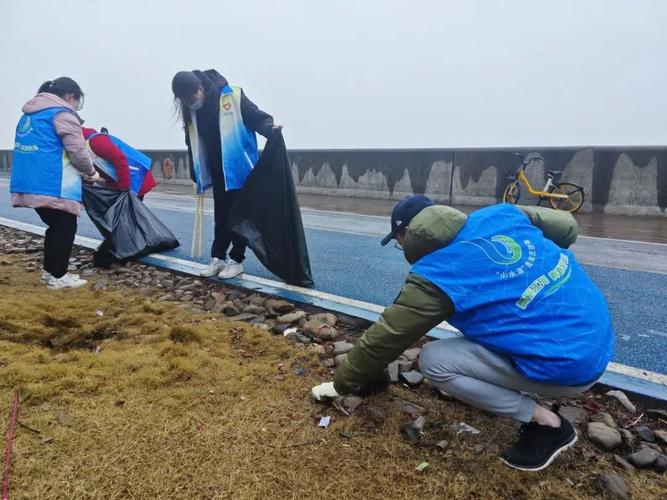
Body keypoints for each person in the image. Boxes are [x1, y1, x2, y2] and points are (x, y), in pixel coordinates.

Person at [312, 196, 615, 472]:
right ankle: (519, 382)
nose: (401, 247)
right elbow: (567, 227)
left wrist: (341, 385)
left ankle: (548, 424)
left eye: (398, 241)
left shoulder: (435, 275)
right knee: (494, 322)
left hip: (573, 366)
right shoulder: (501, 214)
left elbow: (387, 336)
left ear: (407, 235)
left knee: (435, 360)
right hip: (599, 334)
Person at [172, 69, 281, 279]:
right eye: (185, 100)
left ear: (200, 88)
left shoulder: (230, 96)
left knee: (239, 216)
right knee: (221, 217)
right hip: (217, 170)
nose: (190, 102)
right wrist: (197, 176)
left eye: (192, 97)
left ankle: (236, 260)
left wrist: (270, 129)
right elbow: (191, 143)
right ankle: (218, 258)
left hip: (239, 168)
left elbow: (255, 117)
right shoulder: (191, 111)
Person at [10, 77, 100, 289]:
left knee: (56, 226)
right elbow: (77, 151)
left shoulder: (29, 115)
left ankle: (50, 272)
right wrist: (91, 172)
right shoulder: (62, 113)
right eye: (78, 102)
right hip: (54, 183)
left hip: (29, 180)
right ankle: (58, 276)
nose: (77, 107)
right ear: (70, 97)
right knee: (65, 226)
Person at [82, 126, 156, 199]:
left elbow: (120, 160)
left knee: (125, 210)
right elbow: (89, 172)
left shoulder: (95, 141)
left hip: (136, 179)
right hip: (123, 182)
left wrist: (123, 190)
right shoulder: (81, 148)